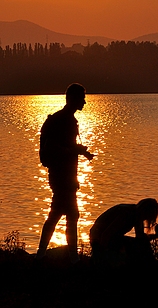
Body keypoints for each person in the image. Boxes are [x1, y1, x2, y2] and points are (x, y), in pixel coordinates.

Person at [36, 83, 94, 263]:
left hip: (66, 176)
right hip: (61, 176)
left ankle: (46, 254)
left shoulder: (68, 120)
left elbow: (66, 146)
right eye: (82, 98)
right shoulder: (63, 121)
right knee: (65, 214)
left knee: (64, 214)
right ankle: (67, 257)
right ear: (73, 99)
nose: (84, 102)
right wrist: (75, 152)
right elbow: (54, 148)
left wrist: (82, 152)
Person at [90, 198, 158, 268]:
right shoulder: (127, 213)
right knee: (137, 248)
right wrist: (101, 256)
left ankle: (147, 266)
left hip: (110, 238)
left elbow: (141, 238)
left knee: (141, 245)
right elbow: (106, 234)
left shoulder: (136, 215)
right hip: (99, 239)